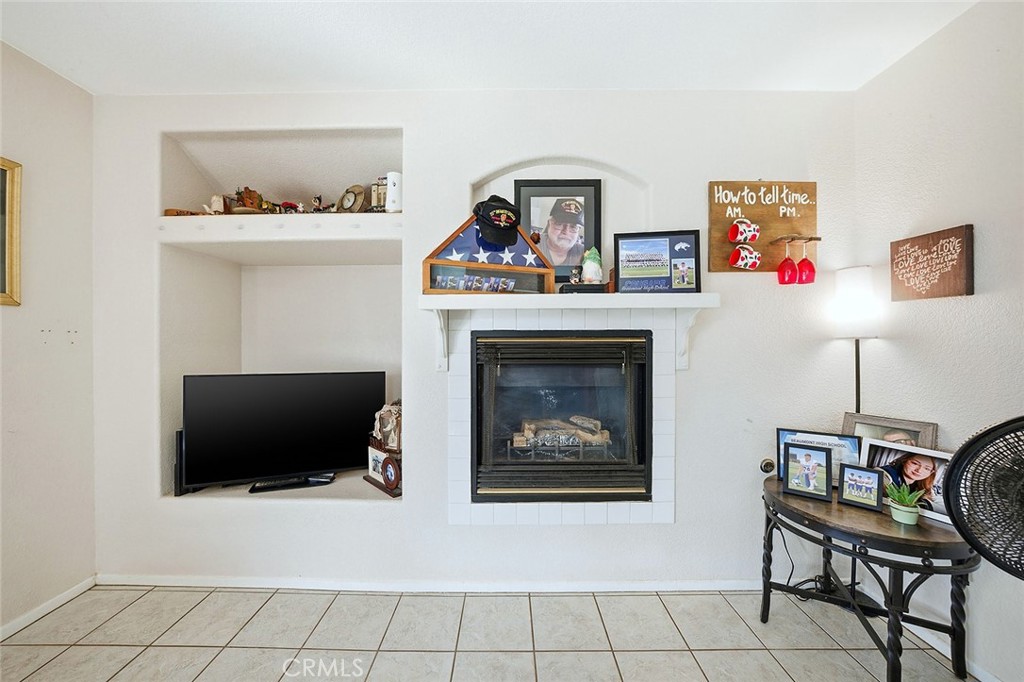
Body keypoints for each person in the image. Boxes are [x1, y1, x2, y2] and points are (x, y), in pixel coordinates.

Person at [537, 198, 586, 267]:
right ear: (549, 224)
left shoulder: (584, 252)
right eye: (559, 224)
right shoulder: (533, 245)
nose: (566, 231)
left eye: (573, 227)